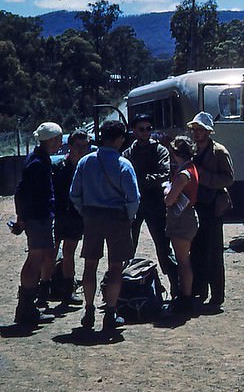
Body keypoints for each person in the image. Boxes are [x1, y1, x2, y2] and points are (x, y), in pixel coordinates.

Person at [70, 120, 140, 332]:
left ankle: (89, 309)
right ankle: (110, 312)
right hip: (117, 218)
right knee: (116, 267)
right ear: (119, 139)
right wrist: (129, 216)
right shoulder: (124, 164)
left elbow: (74, 193)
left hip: (92, 216)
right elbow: (133, 197)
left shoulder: (85, 162)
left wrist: (86, 212)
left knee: (89, 264)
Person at [12, 122, 63, 325]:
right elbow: (22, 194)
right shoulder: (37, 164)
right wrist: (23, 219)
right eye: (58, 139)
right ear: (50, 140)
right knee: (35, 260)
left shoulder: (39, 159)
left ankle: (28, 306)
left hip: (39, 217)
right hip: (38, 218)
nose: (60, 143)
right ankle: (26, 308)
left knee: (38, 258)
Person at [123, 114, 179, 296]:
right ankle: (122, 290)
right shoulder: (128, 153)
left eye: (148, 129)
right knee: (126, 249)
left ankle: (176, 287)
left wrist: (139, 180)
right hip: (134, 204)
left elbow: (164, 173)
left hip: (155, 205)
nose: (145, 133)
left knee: (164, 248)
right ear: (134, 131)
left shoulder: (160, 150)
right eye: (141, 129)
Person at [187, 112, 234, 306]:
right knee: (196, 250)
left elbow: (229, 179)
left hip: (213, 206)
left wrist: (203, 177)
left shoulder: (219, 152)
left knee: (214, 252)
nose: (196, 133)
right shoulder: (192, 150)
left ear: (208, 131)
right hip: (196, 205)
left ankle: (217, 295)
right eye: (195, 130)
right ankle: (199, 290)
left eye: (200, 130)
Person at [47, 129, 91, 308]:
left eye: (84, 146)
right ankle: (44, 289)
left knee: (68, 253)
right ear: (70, 146)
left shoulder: (85, 168)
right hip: (58, 215)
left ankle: (67, 291)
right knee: (50, 253)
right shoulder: (58, 167)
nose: (81, 149)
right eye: (78, 146)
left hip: (75, 216)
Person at [163, 136, 199, 313]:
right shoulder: (190, 169)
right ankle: (186, 295)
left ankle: (185, 297)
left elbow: (169, 201)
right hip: (187, 217)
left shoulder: (183, 174)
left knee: (183, 261)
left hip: (181, 219)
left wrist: (166, 191)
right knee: (184, 259)